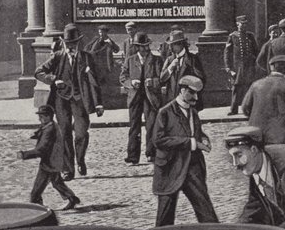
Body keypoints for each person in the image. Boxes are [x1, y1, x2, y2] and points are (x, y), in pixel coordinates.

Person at [34, 23, 104, 179]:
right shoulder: (58, 57)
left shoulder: (86, 57)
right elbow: (38, 72)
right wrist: (53, 79)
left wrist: (98, 103)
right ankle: (68, 169)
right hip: (61, 101)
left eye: (73, 43)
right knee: (64, 134)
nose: (70, 46)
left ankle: (80, 160)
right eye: (68, 43)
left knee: (81, 134)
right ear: (63, 43)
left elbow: (95, 82)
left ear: (78, 43)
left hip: (80, 101)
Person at [153, 75, 219, 226]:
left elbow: (195, 133)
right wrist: (191, 143)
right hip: (170, 167)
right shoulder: (165, 112)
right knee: (165, 218)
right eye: (192, 93)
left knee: (206, 212)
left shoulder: (193, 112)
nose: (196, 97)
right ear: (182, 91)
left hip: (192, 167)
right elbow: (158, 140)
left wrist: (203, 138)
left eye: (197, 94)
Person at [20, 104, 79, 210]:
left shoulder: (49, 130)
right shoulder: (51, 125)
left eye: (41, 116)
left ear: (48, 116)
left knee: (36, 191)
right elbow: (43, 133)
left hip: (49, 163)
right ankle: (72, 198)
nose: (39, 118)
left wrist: (24, 154)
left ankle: (37, 208)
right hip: (54, 161)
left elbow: (41, 149)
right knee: (57, 183)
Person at [242, 55, 285, 145]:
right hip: (280, 137)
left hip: (255, 135)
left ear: (271, 67)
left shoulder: (256, 85)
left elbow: (245, 108)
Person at [121, 31, 162, 165]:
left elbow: (162, 77)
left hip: (151, 98)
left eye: (146, 46)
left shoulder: (156, 60)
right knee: (134, 127)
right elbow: (123, 77)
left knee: (151, 126)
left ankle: (151, 153)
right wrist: (131, 83)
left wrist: (153, 81)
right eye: (142, 46)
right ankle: (133, 156)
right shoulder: (130, 60)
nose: (145, 49)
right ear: (137, 47)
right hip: (135, 97)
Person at [224, 15, 260, 116]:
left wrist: (255, 63)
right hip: (237, 67)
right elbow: (227, 53)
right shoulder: (232, 36)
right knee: (236, 88)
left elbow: (256, 51)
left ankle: (250, 109)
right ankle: (233, 109)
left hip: (249, 66)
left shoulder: (250, 36)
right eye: (242, 24)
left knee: (250, 87)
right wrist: (229, 68)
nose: (244, 26)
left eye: (245, 24)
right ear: (237, 24)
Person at [161, 29, 207, 108]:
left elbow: (201, 80)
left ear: (181, 45)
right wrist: (170, 68)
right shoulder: (169, 60)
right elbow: (162, 78)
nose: (170, 48)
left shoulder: (193, 59)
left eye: (172, 45)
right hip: (172, 102)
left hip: (188, 102)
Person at [86, 24, 119, 103]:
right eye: (99, 32)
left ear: (106, 33)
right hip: (96, 65)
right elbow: (87, 48)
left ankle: (105, 101)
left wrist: (110, 43)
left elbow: (117, 50)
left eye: (102, 32)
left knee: (106, 85)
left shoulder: (109, 40)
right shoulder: (96, 39)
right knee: (96, 84)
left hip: (106, 66)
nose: (101, 34)